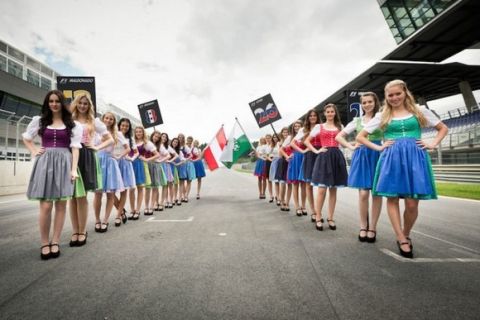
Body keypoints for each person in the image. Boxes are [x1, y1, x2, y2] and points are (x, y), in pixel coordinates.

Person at [357, 80, 448, 258]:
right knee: (392, 199)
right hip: (391, 158)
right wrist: (379, 148)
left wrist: (432, 143)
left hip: (416, 158)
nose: (394, 98)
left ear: (405, 92)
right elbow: (361, 136)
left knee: (412, 203)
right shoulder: (382, 115)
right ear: (386, 97)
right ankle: (401, 238)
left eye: (398, 93)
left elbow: (442, 128)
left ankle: (406, 233)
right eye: (390, 95)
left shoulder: (419, 110)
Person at [22, 90, 82, 259]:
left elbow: (75, 148)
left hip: (64, 162)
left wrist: (73, 169)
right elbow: (26, 138)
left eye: (57, 101)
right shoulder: (40, 121)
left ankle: (55, 241)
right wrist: (34, 150)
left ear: (62, 103)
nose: (54, 104)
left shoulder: (72, 124)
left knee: (61, 205)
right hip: (45, 162)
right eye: (51, 101)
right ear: (47, 103)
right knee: (46, 205)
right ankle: (44, 242)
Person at [336, 92, 383, 242]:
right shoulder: (357, 120)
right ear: (361, 105)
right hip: (362, 155)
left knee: (376, 193)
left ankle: (373, 227)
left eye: (370, 102)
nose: (367, 104)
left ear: (375, 103)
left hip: (377, 154)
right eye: (364, 102)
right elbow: (338, 136)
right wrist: (350, 146)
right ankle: (363, 225)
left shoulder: (382, 118)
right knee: (363, 194)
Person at [69, 94, 113, 245]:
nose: (82, 106)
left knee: (82, 196)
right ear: (76, 104)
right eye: (80, 103)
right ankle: (75, 231)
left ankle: (83, 231)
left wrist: (96, 147)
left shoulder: (94, 122)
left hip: (87, 156)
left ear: (89, 106)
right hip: (71, 155)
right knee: (72, 196)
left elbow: (110, 139)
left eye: (85, 104)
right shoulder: (69, 119)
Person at [305, 104, 348, 231]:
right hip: (323, 157)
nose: (330, 113)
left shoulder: (340, 127)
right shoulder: (319, 126)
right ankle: (318, 217)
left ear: (335, 113)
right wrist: (316, 151)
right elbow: (307, 141)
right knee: (322, 189)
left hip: (336, 156)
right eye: (328, 112)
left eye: (332, 111)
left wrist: (352, 144)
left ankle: (330, 217)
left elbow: (343, 143)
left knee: (333, 189)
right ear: (324, 113)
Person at [93, 112, 126, 232]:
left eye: (111, 119)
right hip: (98, 162)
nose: (108, 120)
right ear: (103, 119)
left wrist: (118, 156)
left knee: (110, 194)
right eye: (106, 118)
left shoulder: (117, 134)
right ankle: (97, 220)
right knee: (98, 193)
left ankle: (105, 220)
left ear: (113, 121)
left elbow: (128, 148)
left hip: (110, 163)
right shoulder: (95, 130)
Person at [129, 126, 158, 219]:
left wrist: (146, 159)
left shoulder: (147, 143)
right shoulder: (131, 141)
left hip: (140, 165)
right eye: (136, 132)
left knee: (140, 188)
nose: (138, 133)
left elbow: (157, 155)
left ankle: (137, 210)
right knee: (131, 188)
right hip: (130, 164)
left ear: (143, 133)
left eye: (140, 132)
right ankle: (132, 210)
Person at [113, 118, 136, 226]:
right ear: (119, 125)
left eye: (127, 126)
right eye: (123, 125)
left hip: (125, 164)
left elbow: (136, 152)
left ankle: (118, 216)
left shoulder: (130, 138)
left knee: (123, 191)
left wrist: (132, 158)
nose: (124, 127)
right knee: (110, 192)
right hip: (113, 162)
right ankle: (121, 210)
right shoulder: (113, 134)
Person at [301, 109, 321, 222]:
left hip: (320, 154)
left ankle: (318, 210)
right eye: (310, 116)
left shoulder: (321, 126)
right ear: (308, 118)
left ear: (317, 116)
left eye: (314, 115)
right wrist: (303, 151)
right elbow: (293, 142)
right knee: (309, 184)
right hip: (309, 156)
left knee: (321, 185)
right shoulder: (304, 130)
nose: (312, 117)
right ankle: (313, 211)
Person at [289, 120, 307, 216]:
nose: (297, 127)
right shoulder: (291, 138)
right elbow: (283, 149)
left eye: (299, 126)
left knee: (304, 184)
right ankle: (297, 206)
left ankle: (303, 206)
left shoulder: (305, 136)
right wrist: (288, 155)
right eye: (295, 126)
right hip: (295, 160)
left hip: (304, 159)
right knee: (295, 184)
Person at [147, 131, 166, 213]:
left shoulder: (160, 146)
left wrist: (160, 161)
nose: (156, 138)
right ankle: (151, 205)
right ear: (152, 135)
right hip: (147, 165)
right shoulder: (147, 143)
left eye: (158, 137)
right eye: (155, 136)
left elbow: (168, 155)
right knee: (148, 187)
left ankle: (152, 206)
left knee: (155, 186)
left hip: (155, 165)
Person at [275, 127, 293, 211]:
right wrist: (282, 147)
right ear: (281, 133)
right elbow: (279, 154)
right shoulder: (279, 143)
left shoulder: (291, 140)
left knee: (289, 183)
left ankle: (287, 202)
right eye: (284, 132)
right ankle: (282, 201)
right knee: (282, 183)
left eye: (287, 132)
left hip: (290, 161)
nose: (285, 133)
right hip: (282, 162)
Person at [268, 134, 281, 206]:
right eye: (274, 137)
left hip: (281, 161)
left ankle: (280, 197)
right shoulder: (271, 146)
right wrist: (271, 160)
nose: (275, 138)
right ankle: (278, 198)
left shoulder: (281, 143)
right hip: (274, 162)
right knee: (276, 181)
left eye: (276, 137)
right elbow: (267, 155)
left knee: (281, 181)